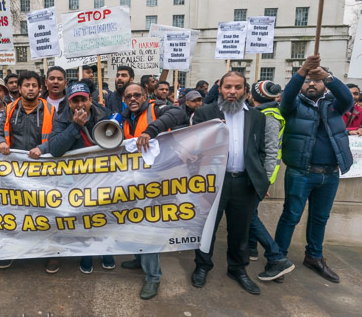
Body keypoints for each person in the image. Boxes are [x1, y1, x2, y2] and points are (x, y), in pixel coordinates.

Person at [275, 55, 353, 284]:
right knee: (291, 216)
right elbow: (287, 97)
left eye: (316, 80)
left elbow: (348, 98)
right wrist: (302, 71)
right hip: (301, 172)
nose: (311, 84)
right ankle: (278, 259)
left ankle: (314, 257)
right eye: (307, 81)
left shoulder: (334, 104)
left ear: (323, 84)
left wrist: (328, 76)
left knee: (320, 218)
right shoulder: (293, 105)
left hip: (330, 174)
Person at [190, 71, 269, 295]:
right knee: (207, 228)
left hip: (244, 182)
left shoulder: (257, 117)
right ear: (220, 88)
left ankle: (238, 269)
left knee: (240, 230)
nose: (232, 92)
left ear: (245, 90)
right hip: (213, 183)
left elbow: (260, 150)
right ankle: (202, 266)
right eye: (228, 87)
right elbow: (195, 148)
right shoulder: (205, 113)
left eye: (237, 87)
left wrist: (259, 177)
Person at [118, 83, 187, 299]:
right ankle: (140, 260)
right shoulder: (124, 118)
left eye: (137, 95)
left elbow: (178, 113)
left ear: (145, 96)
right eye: (128, 96)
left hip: (159, 182)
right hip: (136, 182)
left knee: (148, 230)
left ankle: (153, 277)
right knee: (135, 223)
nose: (133, 99)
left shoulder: (157, 108)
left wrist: (150, 131)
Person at [48, 82, 116, 273]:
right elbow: (55, 149)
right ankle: (87, 253)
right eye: (75, 101)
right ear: (69, 103)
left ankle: (106, 250)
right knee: (85, 217)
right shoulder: (62, 119)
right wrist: (75, 126)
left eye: (83, 100)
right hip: (79, 178)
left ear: (90, 100)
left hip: (103, 175)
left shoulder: (105, 114)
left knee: (105, 215)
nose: (79, 105)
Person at [0, 71, 56, 271]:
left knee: (45, 212)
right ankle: (12, 251)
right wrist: (0, 142)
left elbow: (57, 138)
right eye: (26, 85)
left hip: (42, 171)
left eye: (34, 85)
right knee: (14, 212)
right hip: (15, 173)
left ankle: (50, 253)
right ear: (19, 89)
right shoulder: (9, 109)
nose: (30, 89)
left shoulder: (50, 110)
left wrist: (43, 148)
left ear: (40, 88)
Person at [247, 80, 295, 282]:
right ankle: (251, 249)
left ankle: (277, 258)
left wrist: (263, 181)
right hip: (256, 174)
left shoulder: (269, 116)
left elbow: (271, 151)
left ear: (253, 95)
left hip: (258, 176)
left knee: (248, 215)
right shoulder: (264, 112)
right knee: (251, 212)